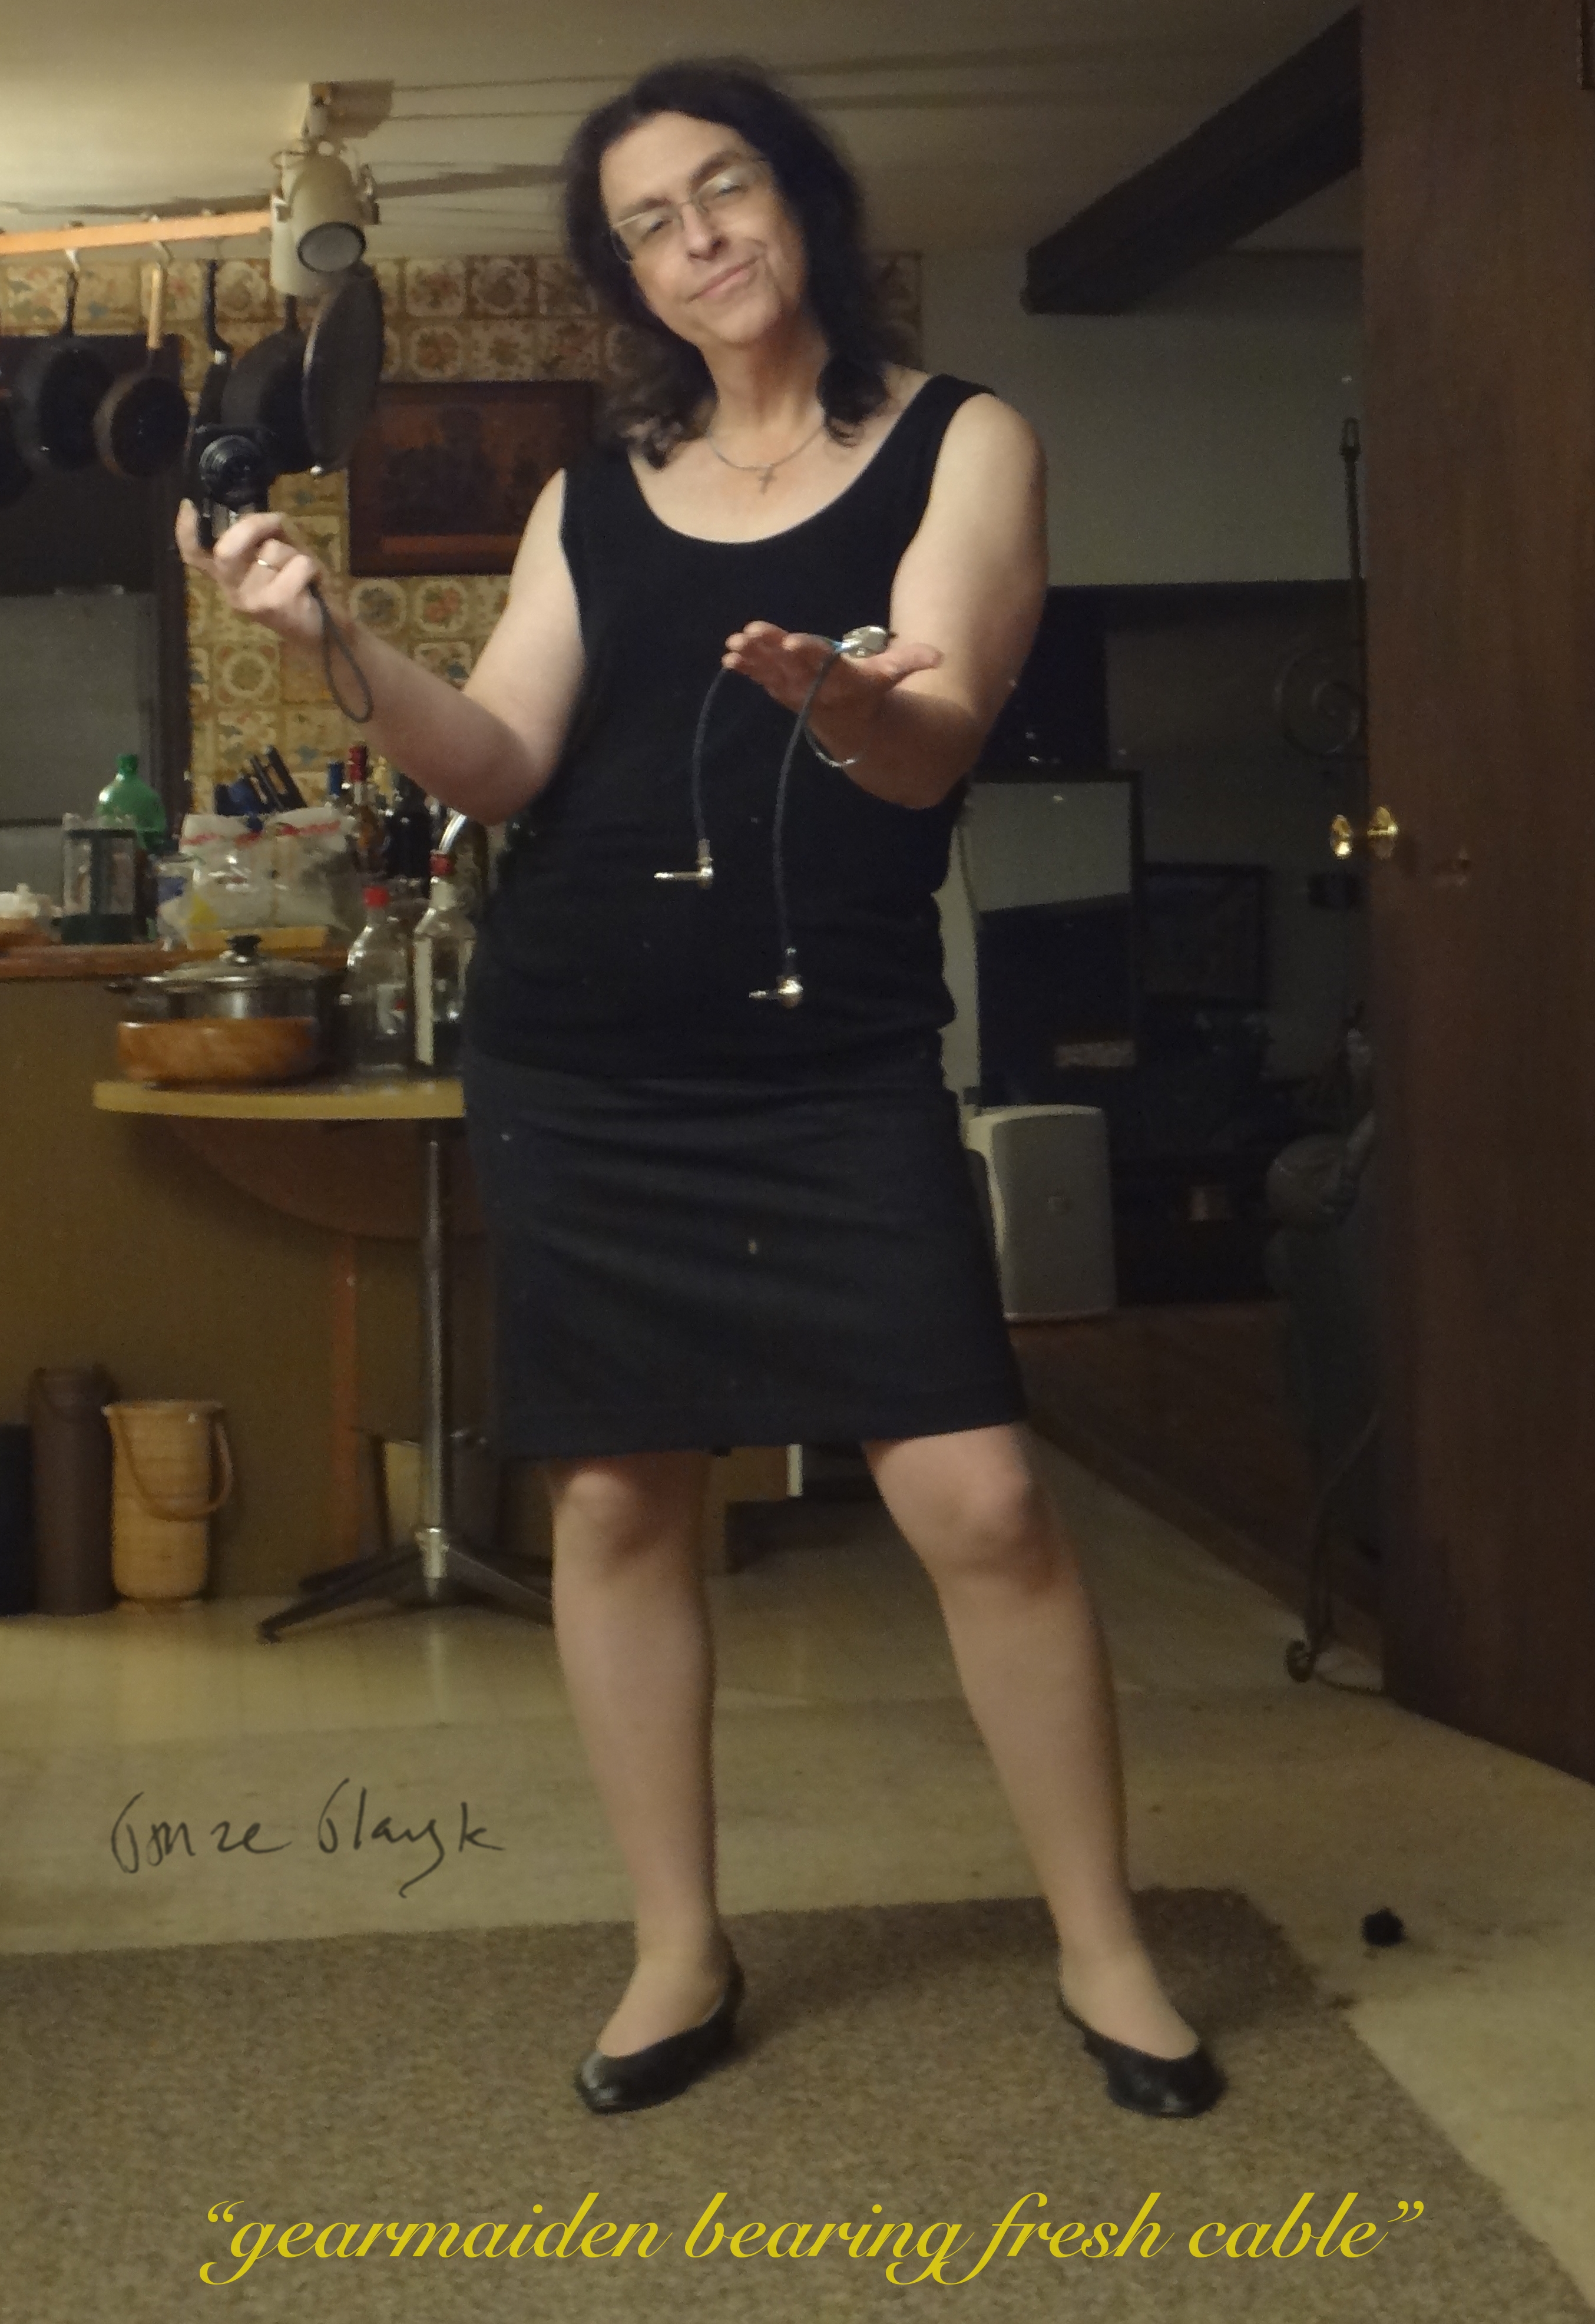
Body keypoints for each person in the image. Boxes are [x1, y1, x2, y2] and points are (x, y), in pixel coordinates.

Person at [177, 56, 1223, 2124]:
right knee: (617, 1495)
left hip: (829, 1051)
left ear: (799, 198)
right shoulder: (592, 492)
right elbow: (500, 763)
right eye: (648, 223)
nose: (697, 239)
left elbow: (933, 742)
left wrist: (838, 703)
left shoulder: (962, 442)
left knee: (983, 1499)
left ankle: (1101, 1939)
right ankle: (679, 1942)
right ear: (627, 276)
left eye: (723, 188)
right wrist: (336, 645)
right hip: (581, 1051)